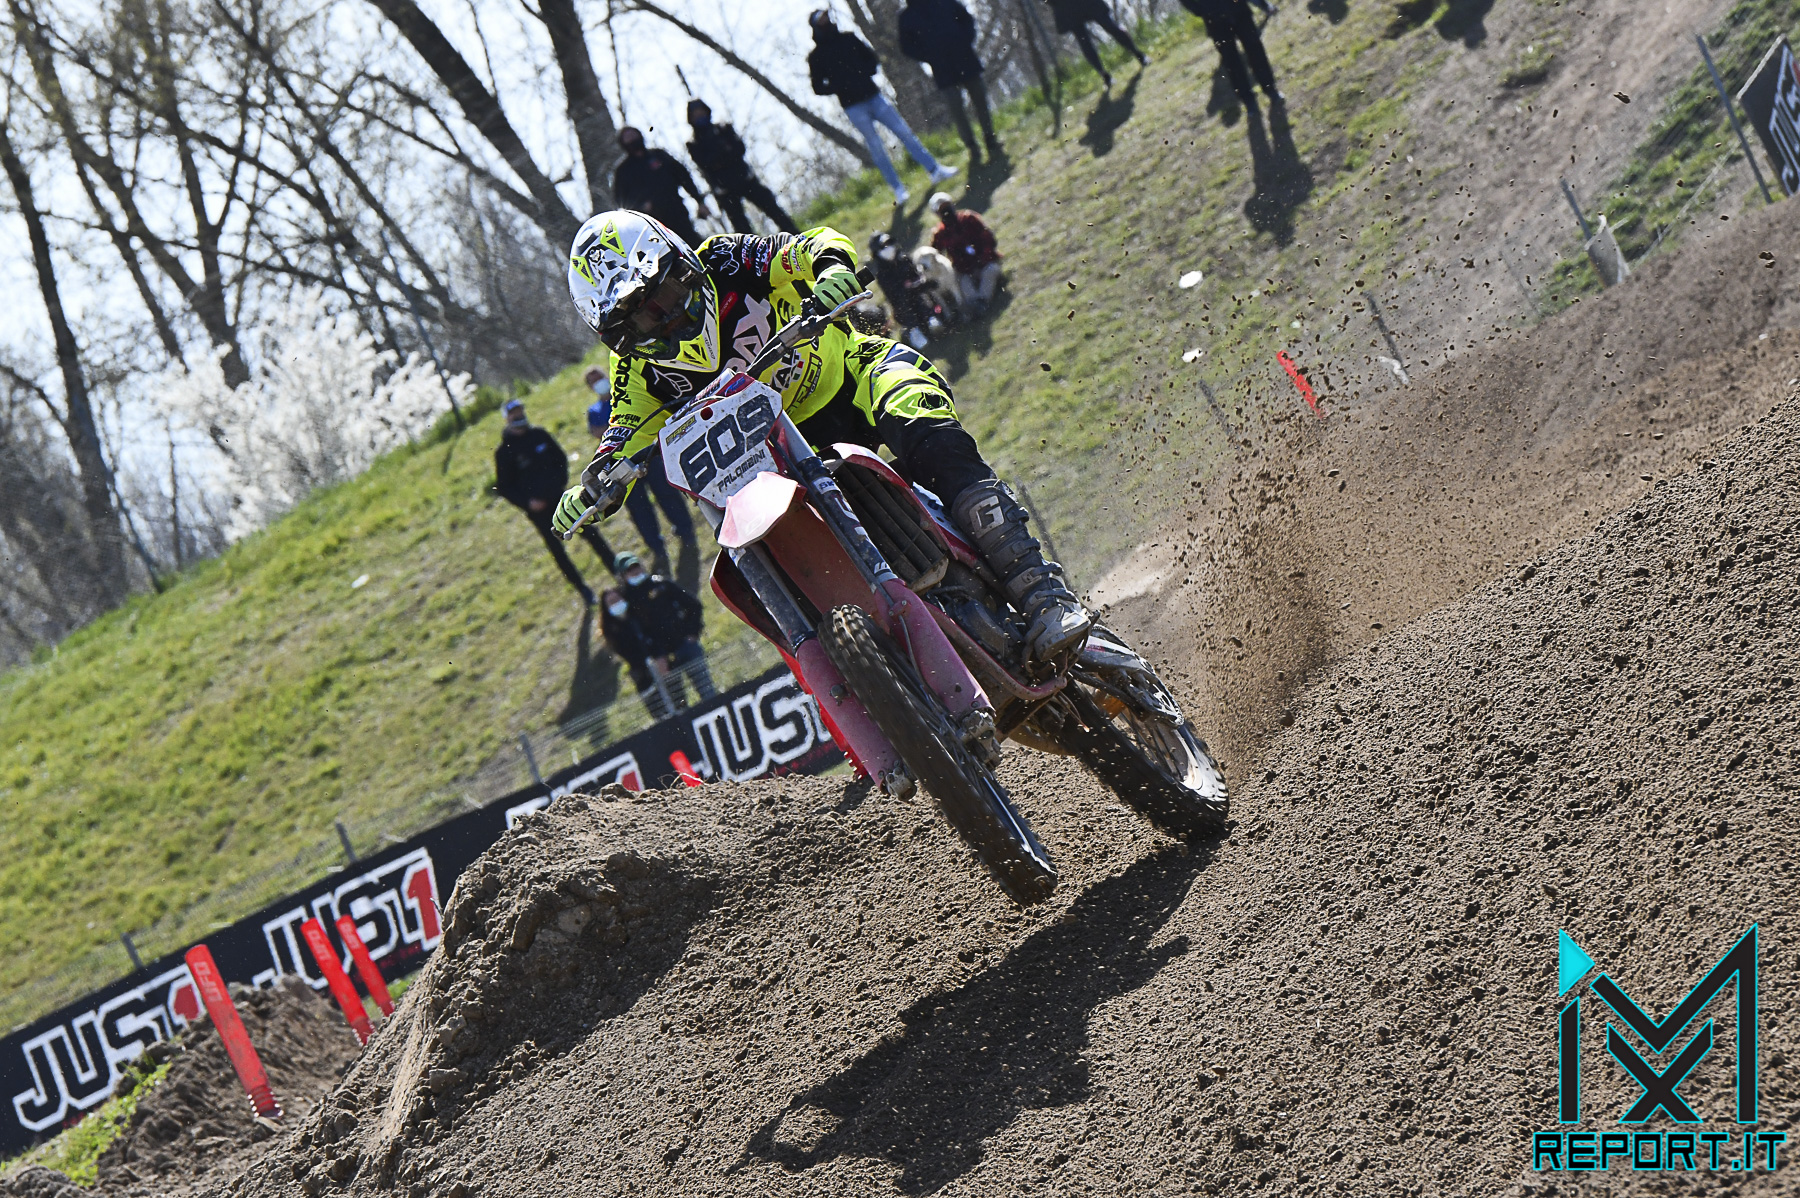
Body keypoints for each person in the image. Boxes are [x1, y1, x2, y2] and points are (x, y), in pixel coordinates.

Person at [556, 210, 1090, 663]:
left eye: (665, 295)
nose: (666, 319)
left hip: (855, 378)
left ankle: (1044, 595)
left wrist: (831, 268)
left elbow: (806, 248)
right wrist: (595, 486)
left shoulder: (725, 260)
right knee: (785, 556)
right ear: (620, 337)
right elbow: (622, 435)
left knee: (930, 439)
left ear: (681, 264)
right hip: (782, 462)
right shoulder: (635, 372)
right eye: (643, 321)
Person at [807, 8, 958, 205]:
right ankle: (898, 189)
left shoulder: (849, 38)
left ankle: (934, 170)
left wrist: (863, 73)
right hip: (853, 107)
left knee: (904, 132)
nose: (826, 21)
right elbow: (818, 87)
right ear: (815, 26)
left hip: (874, 97)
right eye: (821, 20)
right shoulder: (816, 56)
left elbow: (872, 59)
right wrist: (840, 86)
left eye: (826, 17)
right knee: (877, 148)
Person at [494, 398, 615, 605]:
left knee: (590, 532)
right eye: (513, 413)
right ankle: (583, 590)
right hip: (539, 511)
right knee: (558, 550)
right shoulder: (504, 452)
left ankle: (616, 569)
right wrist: (528, 503)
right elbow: (504, 487)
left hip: (561, 499)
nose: (519, 415)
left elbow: (560, 459)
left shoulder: (539, 435)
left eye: (520, 410)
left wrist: (559, 483)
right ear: (507, 418)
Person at [585, 367, 696, 575]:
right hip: (619, 465)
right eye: (593, 381)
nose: (598, 382)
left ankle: (686, 530)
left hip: (646, 453)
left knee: (667, 493)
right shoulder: (594, 411)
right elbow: (597, 432)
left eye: (599, 377)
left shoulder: (624, 397)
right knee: (639, 507)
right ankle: (657, 546)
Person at [605, 554, 716, 717]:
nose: (635, 571)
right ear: (622, 575)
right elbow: (633, 634)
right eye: (629, 570)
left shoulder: (661, 585)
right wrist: (656, 655)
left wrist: (692, 633)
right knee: (680, 706)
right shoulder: (627, 601)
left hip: (684, 646)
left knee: (708, 693)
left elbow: (693, 605)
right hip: (661, 661)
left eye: (636, 566)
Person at [897, 0, 1003, 165]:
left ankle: (990, 138)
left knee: (980, 97)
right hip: (942, 68)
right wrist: (929, 56)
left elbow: (966, 19)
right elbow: (907, 47)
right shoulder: (907, 17)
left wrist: (966, 39)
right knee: (956, 109)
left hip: (965, 57)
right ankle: (972, 146)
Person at [685, 101, 798, 235]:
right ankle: (752, 249)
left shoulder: (723, 128)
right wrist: (724, 153)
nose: (699, 116)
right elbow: (705, 163)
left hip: (745, 178)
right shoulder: (693, 143)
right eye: (695, 114)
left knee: (773, 209)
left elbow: (739, 149)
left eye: (701, 112)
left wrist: (721, 157)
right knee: (741, 228)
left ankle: (795, 236)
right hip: (724, 189)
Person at [611, 126, 710, 246]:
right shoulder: (623, 171)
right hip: (651, 224)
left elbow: (684, 177)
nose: (632, 139)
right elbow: (620, 202)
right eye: (628, 137)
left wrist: (699, 201)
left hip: (677, 211)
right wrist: (640, 208)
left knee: (690, 244)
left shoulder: (659, 155)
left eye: (633, 135)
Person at [1178, 0, 1283, 109]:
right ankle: (1248, 101)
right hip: (1214, 19)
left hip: (1238, 8)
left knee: (1255, 48)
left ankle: (1271, 89)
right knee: (1231, 60)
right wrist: (1202, 10)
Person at [868, 231, 952, 348]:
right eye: (883, 247)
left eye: (889, 243)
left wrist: (916, 284)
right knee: (906, 306)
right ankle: (915, 331)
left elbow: (918, 277)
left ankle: (933, 319)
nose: (888, 248)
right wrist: (909, 287)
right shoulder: (882, 274)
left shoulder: (904, 259)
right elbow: (895, 296)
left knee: (923, 297)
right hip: (904, 307)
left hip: (919, 296)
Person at [928, 192, 1002, 316]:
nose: (946, 212)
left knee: (991, 270)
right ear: (937, 214)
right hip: (965, 271)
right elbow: (934, 252)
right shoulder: (940, 233)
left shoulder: (969, 218)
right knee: (963, 282)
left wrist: (983, 259)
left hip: (984, 263)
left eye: (947, 206)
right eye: (942, 210)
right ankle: (975, 304)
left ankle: (982, 300)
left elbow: (989, 239)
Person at [1045, 0, 1148, 88]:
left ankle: (1139, 55)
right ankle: (1105, 76)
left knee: (1110, 26)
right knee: (1084, 41)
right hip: (1066, 7)